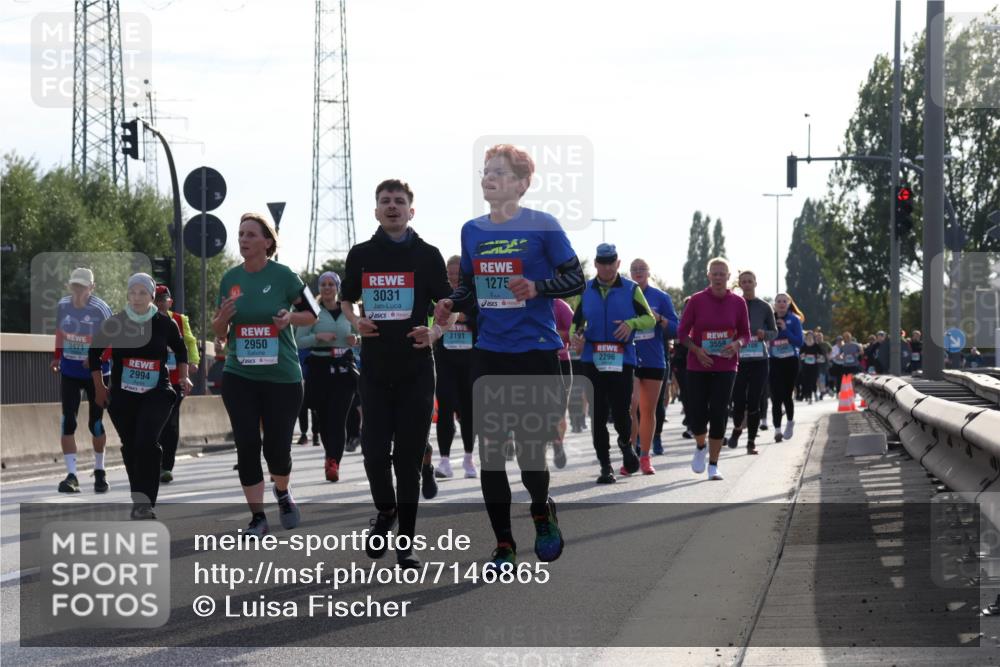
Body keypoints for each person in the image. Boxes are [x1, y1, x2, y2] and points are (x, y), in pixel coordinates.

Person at [435, 143, 585, 570]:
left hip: (536, 353)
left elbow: (575, 277)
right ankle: (503, 543)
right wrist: (450, 303)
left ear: (521, 183)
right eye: (485, 172)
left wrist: (537, 288)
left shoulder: (544, 226)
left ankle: (541, 508)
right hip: (490, 354)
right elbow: (469, 288)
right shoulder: (472, 230)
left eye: (498, 172)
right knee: (493, 452)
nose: (488, 178)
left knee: (531, 453)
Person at [341, 179, 452, 569]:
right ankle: (385, 510)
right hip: (374, 369)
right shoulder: (361, 254)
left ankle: (406, 542)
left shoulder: (428, 255)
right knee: (373, 454)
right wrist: (356, 320)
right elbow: (345, 298)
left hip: (416, 370)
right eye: (385, 201)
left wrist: (436, 331)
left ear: (411, 210)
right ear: (376, 210)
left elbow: (448, 305)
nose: (392, 207)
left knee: (407, 460)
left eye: (399, 201)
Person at [213, 212, 317, 538]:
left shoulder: (286, 276)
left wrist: (290, 318)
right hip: (240, 374)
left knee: (277, 451)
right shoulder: (230, 279)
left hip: (282, 378)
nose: (243, 239)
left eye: (250, 234)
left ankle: (283, 493)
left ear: (267, 241)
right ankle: (257, 518)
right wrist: (222, 319)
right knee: (246, 444)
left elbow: (311, 314)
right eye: (240, 233)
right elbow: (219, 331)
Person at [89, 273, 188, 519]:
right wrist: (100, 387)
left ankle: (146, 502)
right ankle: (139, 499)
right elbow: (94, 354)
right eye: (133, 292)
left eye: (143, 292)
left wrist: (184, 376)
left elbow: (181, 350)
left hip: (157, 392)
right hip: (123, 395)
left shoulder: (165, 323)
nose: (137, 297)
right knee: (132, 446)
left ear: (152, 296)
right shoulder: (116, 322)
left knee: (146, 442)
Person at [571, 245, 655, 483]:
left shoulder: (631, 289)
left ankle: (625, 445)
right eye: (602, 262)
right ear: (596, 264)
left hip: (622, 359)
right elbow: (576, 322)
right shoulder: (585, 290)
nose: (606, 267)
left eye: (611, 262)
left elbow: (649, 319)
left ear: (618, 264)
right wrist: (576, 337)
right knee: (597, 414)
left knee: (621, 411)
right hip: (592, 359)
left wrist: (631, 324)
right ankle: (605, 466)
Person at [678, 258, 750, 481]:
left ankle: (713, 464)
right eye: (714, 274)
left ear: (729, 277)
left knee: (719, 412)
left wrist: (737, 344)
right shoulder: (697, 300)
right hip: (698, 365)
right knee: (698, 413)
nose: (718, 278)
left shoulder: (738, 303)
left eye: (722, 274)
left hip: (726, 365)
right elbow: (682, 333)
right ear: (708, 276)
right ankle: (701, 446)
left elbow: (745, 334)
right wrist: (697, 350)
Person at [52, 267, 113, 494]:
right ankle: (71, 475)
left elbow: (112, 341)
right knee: (68, 421)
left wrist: (96, 358)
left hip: (96, 374)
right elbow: (60, 332)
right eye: (74, 286)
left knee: (94, 423)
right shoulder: (62, 306)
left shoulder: (100, 309)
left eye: (82, 287)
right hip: (70, 371)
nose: (77, 291)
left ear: (91, 287)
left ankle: (100, 470)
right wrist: (57, 357)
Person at [294, 271, 359, 483]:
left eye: (332, 284)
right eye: (324, 284)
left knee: (338, 418)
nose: (328, 288)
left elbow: (362, 334)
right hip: (320, 368)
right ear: (319, 288)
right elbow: (299, 341)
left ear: (337, 287)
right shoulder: (312, 311)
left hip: (343, 369)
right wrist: (317, 336)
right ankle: (329, 455)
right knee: (323, 419)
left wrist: (355, 339)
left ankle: (334, 462)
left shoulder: (349, 309)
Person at [627, 258, 678, 465]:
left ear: (649, 272)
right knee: (631, 407)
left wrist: (660, 320)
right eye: (634, 269)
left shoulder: (661, 297)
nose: (638, 272)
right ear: (630, 273)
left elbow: (676, 329)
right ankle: (630, 452)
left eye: (642, 269)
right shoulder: (624, 295)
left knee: (650, 409)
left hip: (654, 359)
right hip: (629, 359)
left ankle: (648, 450)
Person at [433, 255, 479, 480]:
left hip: (469, 362)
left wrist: (464, 317)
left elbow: (482, 321)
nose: (453, 277)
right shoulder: (441, 297)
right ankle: (444, 460)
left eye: (457, 273)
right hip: (445, 361)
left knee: (469, 411)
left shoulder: (474, 295)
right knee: (445, 410)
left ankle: (469, 458)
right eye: (450, 273)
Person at [727, 270, 776, 455]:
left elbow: (774, 332)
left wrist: (765, 334)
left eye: (750, 281)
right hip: (739, 359)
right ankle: (738, 428)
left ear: (755, 283)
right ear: (739, 284)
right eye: (744, 281)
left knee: (754, 402)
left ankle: (751, 442)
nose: (747, 284)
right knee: (738, 402)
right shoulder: (733, 304)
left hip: (759, 360)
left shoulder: (764, 307)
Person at [153, 284, 198, 483]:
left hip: (175, 379)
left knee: (170, 421)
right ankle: (155, 461)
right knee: (155, 421)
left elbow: (189, 342)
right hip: (152, 379)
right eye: (157, 300)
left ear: (170, 302)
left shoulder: (179, 319)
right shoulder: (144, 319)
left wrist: (193, 362)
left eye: (164, 300)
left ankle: (166, 466)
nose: (160, 304)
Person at [768, 292, 804, 442]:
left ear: (789, 303)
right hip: (774, 360)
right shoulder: (770, 319)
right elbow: (766, 338)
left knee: (786, 395)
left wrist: (785, 330)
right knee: (776, 397)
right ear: (774, 304)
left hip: (790, 361)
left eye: (784, 301)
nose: (781, 303)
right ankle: (777, 430)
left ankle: (790, 421)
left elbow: (799, 342)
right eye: (779, 301)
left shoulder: (794, 320)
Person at [552, 297, 575, 469]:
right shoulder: (526, 301)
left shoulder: (560, 305)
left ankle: (557, 443)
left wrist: (554, 333)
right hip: (535, 362)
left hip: (561, 361)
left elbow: (575, 331)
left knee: (560, 410)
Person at [799, 331, 822, 404]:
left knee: (813, 380)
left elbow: (821, 355)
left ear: (813, 337)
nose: (809, 337)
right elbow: (800, 355)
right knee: (807, 381)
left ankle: (815, 393)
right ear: (806, 337)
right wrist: (803, 356)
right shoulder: (803, 345)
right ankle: (809, 397)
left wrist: (818, 357)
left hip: (814, 365)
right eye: (808, 336)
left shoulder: (816, 345)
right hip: (806, 366)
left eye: (811, 336)